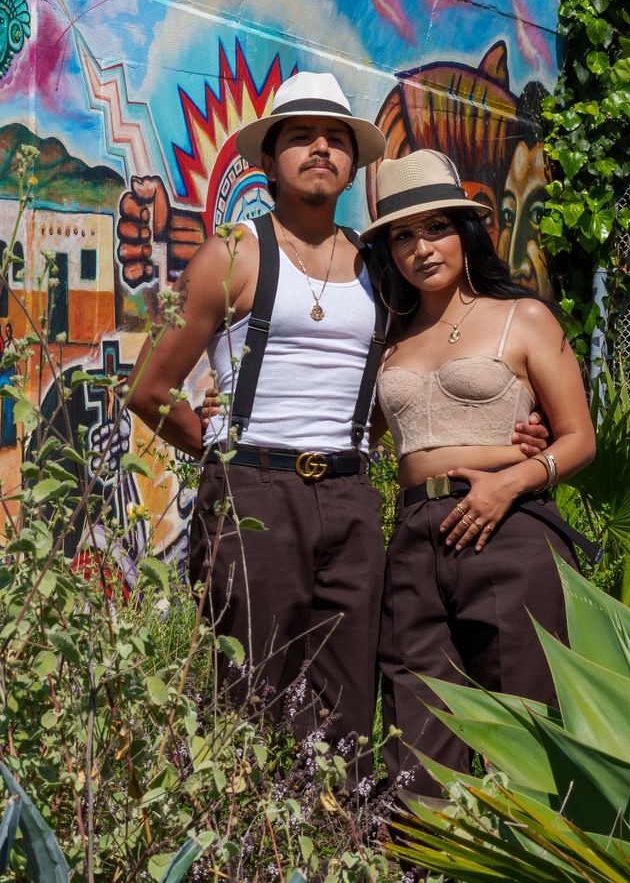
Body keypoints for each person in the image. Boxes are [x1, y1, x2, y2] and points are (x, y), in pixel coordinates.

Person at [129, 73, 548, 781]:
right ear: (270, 161)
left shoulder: (379, 266)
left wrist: (508, 427)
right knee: (248, 687)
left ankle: (335, 846)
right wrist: (218, 448)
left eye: (336, 139)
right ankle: (245, 847)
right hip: (254, 491)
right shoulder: (232, 255)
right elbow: (148, 388)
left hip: (352, 498)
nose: (320, 148)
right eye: (301, 137)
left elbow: (425, 370)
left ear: (353, 164)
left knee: (347, 698)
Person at [360, 149, 596, 796]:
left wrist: (514, 480)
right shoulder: (390, 339)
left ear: (465, 231)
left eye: (436, 227)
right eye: (403, 236)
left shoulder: (523, 317)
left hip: (510, 528)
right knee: (418, 724)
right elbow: (356, 434)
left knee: (527, 721)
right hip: (413, 537)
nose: (421, 248)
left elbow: (579, 439)